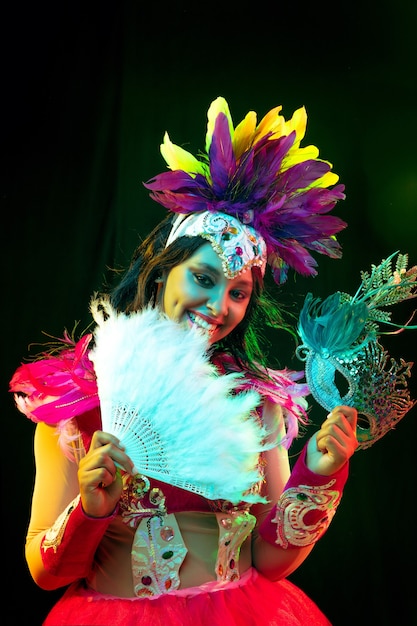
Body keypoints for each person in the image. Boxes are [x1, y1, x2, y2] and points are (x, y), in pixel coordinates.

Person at [10, 96, 360, 626]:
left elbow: (270, 562)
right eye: (203, 278)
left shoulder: (255, 405)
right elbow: (45, 571)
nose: (219, 306)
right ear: (161, 271)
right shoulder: (76, 407)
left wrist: (321, 475)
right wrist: (89, 509)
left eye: (239, 292)